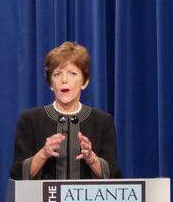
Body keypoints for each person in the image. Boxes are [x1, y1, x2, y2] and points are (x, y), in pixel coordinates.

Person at [10, 41, 120, 181]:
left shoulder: (103, 121)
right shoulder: (30, 120)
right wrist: (44, 153)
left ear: (85, 82)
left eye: (72, 73)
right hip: (42, 201)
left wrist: (91, 158)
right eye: (57, 74)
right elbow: (18, 176)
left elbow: (113, 176)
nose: (64, 80)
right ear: (50, 84)